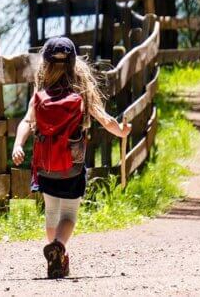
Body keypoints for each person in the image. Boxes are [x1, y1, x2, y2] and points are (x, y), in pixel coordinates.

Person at [11, 36, 131, 279]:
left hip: (45, 166)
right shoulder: (81, 89)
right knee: (69, 215)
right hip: (73, 166)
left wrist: (17, 145)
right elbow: (103, 118)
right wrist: (121, 131)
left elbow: (27, 120)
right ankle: (59, 247)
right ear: (74, 62)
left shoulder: (41, 89)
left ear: (44, 63)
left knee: (51, 212)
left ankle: (55, 255)